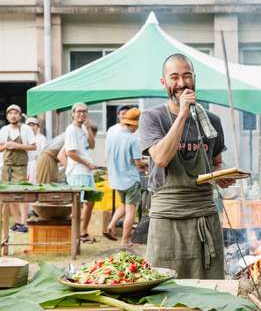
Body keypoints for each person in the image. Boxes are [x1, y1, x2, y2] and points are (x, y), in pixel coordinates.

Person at [139, 53, 234, 279]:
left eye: (187, 76)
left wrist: (223, 175)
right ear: (164, 82)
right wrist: (182, 114)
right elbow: (160, 158)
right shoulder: (152, 118)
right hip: (167, 218)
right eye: (174, 77)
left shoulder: (212, 121)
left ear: (194, 79)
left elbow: (216, 162)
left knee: (209, 288)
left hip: (205, 216)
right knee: (164, 286)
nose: (181, 83)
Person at [104, 108, 148, 246]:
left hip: (116, 179)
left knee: (123, 205)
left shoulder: (112, 136)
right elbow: (138, 162)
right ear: (134, 124)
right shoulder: (132, 138)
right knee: (131, 211)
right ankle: (125, 240)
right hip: (130, 179)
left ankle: (111, 225)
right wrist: (148, 163)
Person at [0, 105, 36, 233]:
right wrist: (6, 146)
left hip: (20, 167)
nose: (13, 115)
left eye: (16, 113)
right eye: (10, 113)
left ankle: (24, 222)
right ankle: (17, 222)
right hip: (7, 167)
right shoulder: (4, 129)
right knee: (9, 195)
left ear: (20, 116)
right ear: (7, 116)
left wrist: (16, 145)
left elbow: (33, 147)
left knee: (22, 194)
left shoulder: (26, 129)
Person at [64, 103, 97, 243]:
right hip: (77, 172)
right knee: (77, 204)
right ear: (73, 113)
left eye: (84, 112)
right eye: (78, 112)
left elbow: (92, 145)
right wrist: (87, 163)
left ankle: (83, 231)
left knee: (90, 202)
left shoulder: (83, 127)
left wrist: (89, 128)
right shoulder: (70, 130)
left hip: (87, 172)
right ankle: (75, 233)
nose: (81, 114)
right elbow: (70, 153)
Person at [26, 117, 48, 184]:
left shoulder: (42, 138)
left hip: (37, 163)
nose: (32, 127)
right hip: (25, 164)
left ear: (38, 127)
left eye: (34, 125)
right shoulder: (24, 137)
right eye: (29, 125)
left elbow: (43, 151)